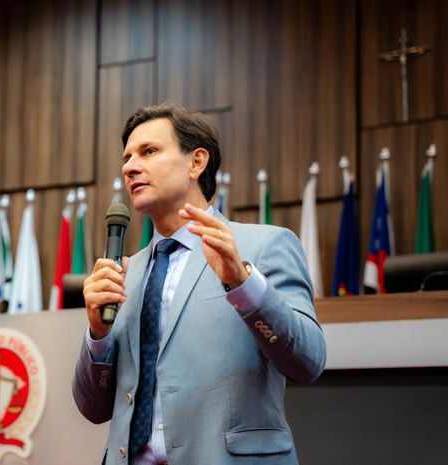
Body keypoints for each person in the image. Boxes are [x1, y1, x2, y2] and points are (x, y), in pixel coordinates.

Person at [72, 103, 326, 465]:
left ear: (196, 162)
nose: (129, 167)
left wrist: (243, 284)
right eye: (127, 158)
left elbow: (308, 361)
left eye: (148, 151)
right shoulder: (124, 272)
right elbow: (92, 408)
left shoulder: (263, 246)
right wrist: (98, 335)